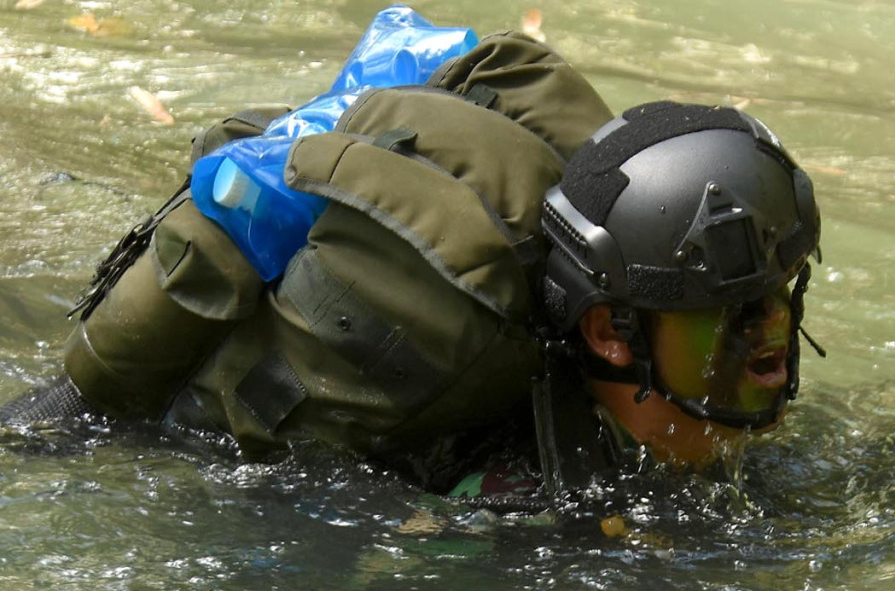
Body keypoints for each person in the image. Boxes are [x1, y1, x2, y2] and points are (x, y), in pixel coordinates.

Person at [0, 33, 822, 513]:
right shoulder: (494, 480)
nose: (773, 337)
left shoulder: (673, 414)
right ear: (611, 334)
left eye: (778, 297)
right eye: (733, 314)